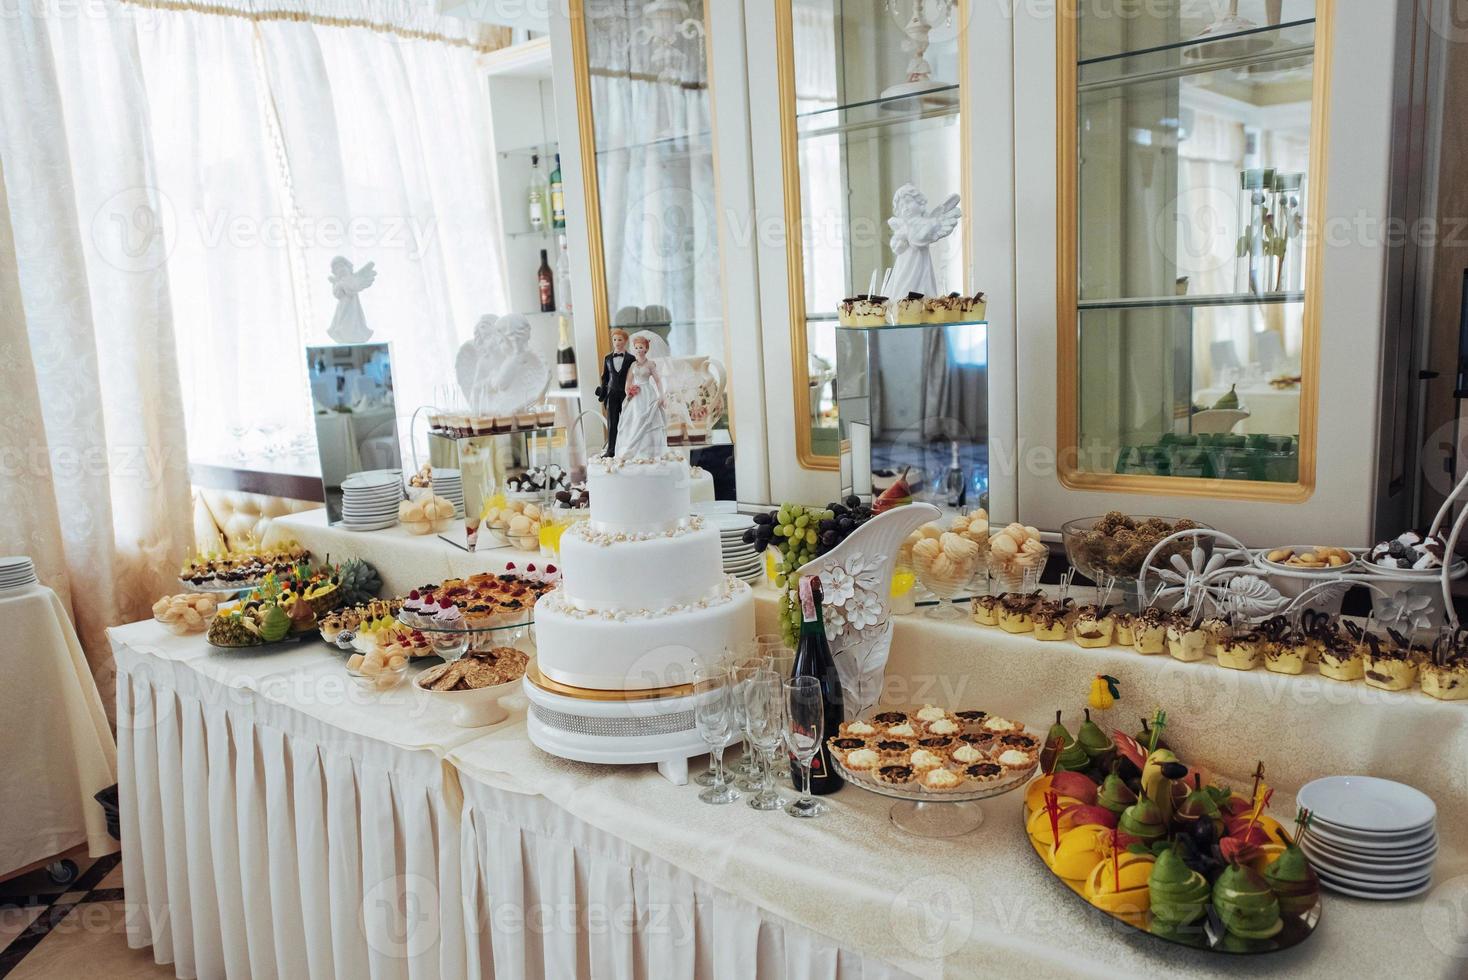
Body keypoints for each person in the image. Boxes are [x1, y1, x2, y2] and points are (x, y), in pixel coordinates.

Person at [614, 331, 671, 459]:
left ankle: (651, 451)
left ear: (646, 349)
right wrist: (628, 392)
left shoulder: (650, 364)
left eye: (641, 347)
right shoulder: (633, 365)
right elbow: (628, 381)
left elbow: (657, 381)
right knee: (635, 418)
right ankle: (635, 450)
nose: (639, 350)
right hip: (636, 394)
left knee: (648, 418)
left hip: (647, 392)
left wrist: (661, 395)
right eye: (636, 347)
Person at [596, 328, 633, 455]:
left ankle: (628, 448)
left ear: (626, 341)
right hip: (611, 394)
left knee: (627, 422)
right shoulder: (607, 358)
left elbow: (635, 377)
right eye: (615, 339)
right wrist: (603, 393)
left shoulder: (631, 359)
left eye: (620, 339)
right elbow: (605, 377)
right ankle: (611, 450)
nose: (617, 342)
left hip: (626, 395)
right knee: (612, 423)